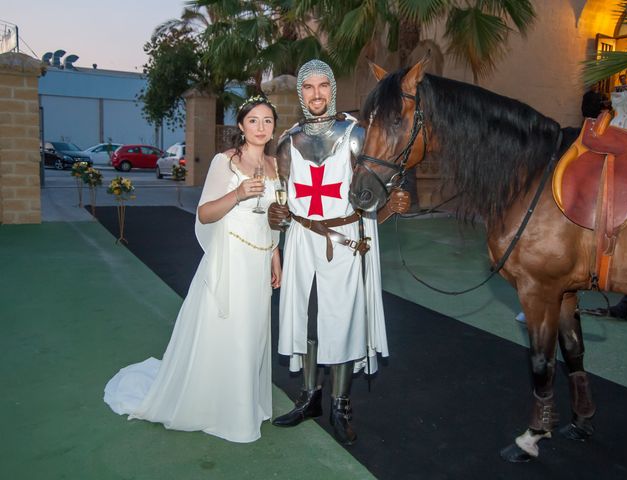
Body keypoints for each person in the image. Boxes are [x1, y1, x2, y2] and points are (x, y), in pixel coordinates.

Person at [103, 96, 282, 443]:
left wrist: (276, 255)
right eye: (253, 121)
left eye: (268, 121)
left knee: (253, 330)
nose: (261, 128)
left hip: (259, 258)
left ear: (274, 127)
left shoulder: (275, 165)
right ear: (242, 126)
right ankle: (218, 408)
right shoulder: (225, 162)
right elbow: (205, 214)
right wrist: (240, 193)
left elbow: (272, 215)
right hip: (230, 257)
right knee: (229, 329)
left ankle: (244, 403)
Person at [267, 59, 410, 445]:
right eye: (309, 87)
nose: (316, 94)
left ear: (332, 89)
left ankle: (340, 402)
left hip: (345, 243)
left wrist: (390, 205)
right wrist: (276, 215)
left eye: (323, 86)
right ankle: (310, 396)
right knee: (309, 319)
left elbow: (371, 195)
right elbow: (281, 198)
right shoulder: (287, 142)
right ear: (302, 93)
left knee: (343, 320)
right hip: (301, 240)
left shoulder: (356, 136)